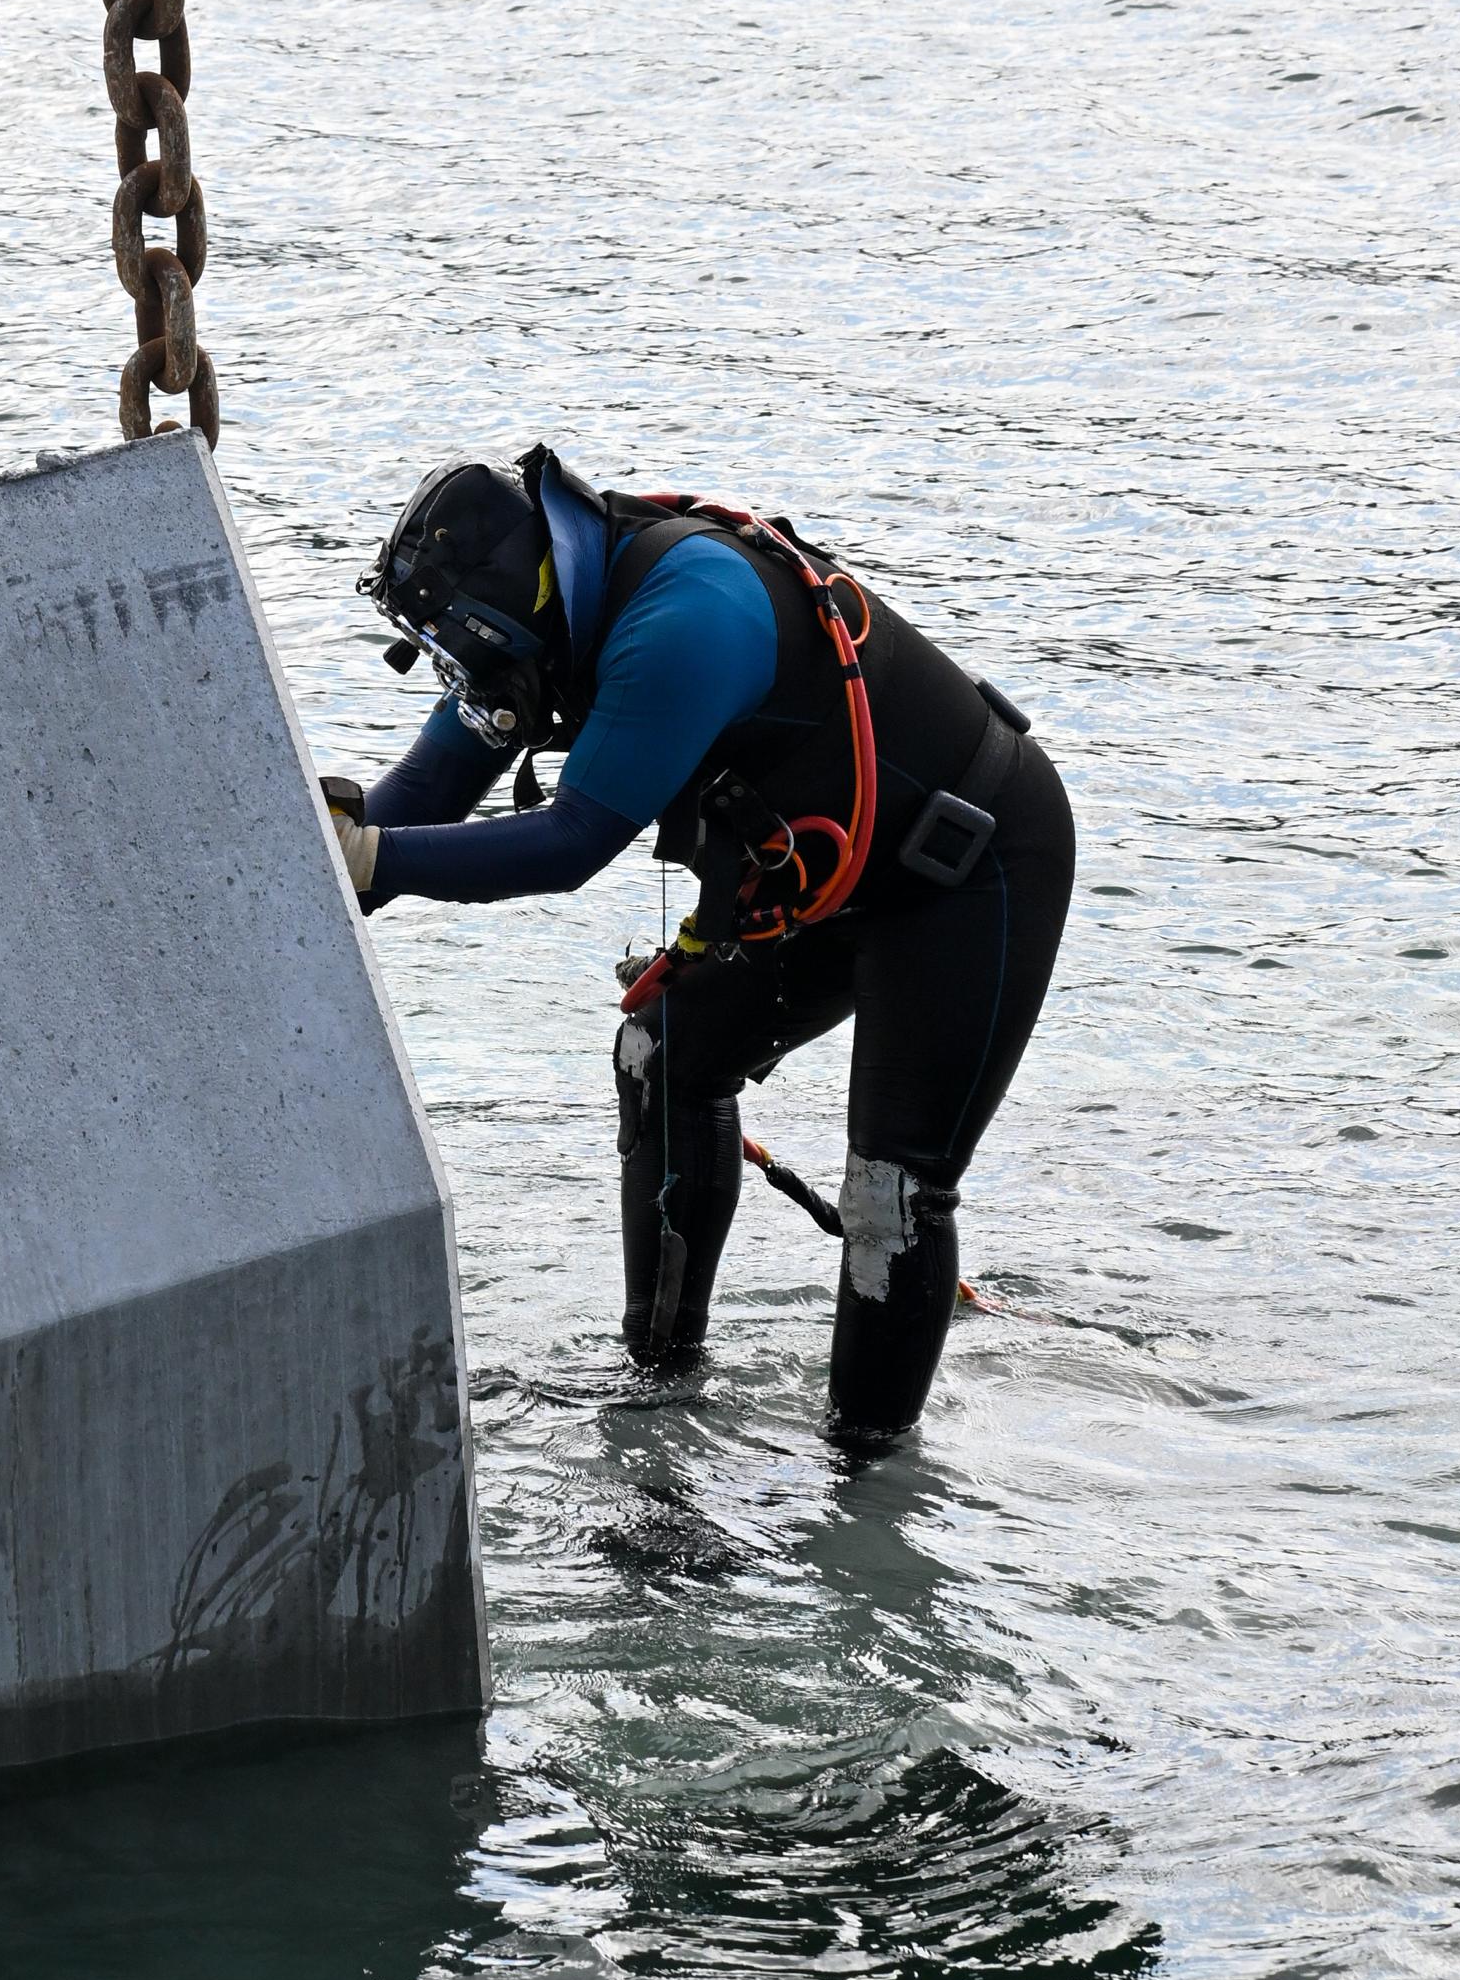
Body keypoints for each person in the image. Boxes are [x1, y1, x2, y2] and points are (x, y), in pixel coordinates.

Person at [323, 447, 1071, 1442]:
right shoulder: (540, 618)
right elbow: (410, 806)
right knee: (662, 1056)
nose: (475, 687)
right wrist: (301, 867)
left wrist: (367, 860)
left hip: (967, 869)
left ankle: (864, 1487)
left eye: (469, 657)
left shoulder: (682, 614)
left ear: (519, 609)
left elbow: (568, 841)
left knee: (890, 1193)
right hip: (826, 879)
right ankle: (661, 1391)